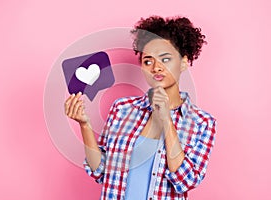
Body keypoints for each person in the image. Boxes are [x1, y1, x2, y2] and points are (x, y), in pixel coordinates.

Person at [64, 15, 217, 200]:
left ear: (184, 62)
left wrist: (167, 120)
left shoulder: (202, 123)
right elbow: (101, 171)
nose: (156, 67)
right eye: (148, 61)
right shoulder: (122, 109)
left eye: (165, 59)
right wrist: (85, 125)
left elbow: (186, 181)